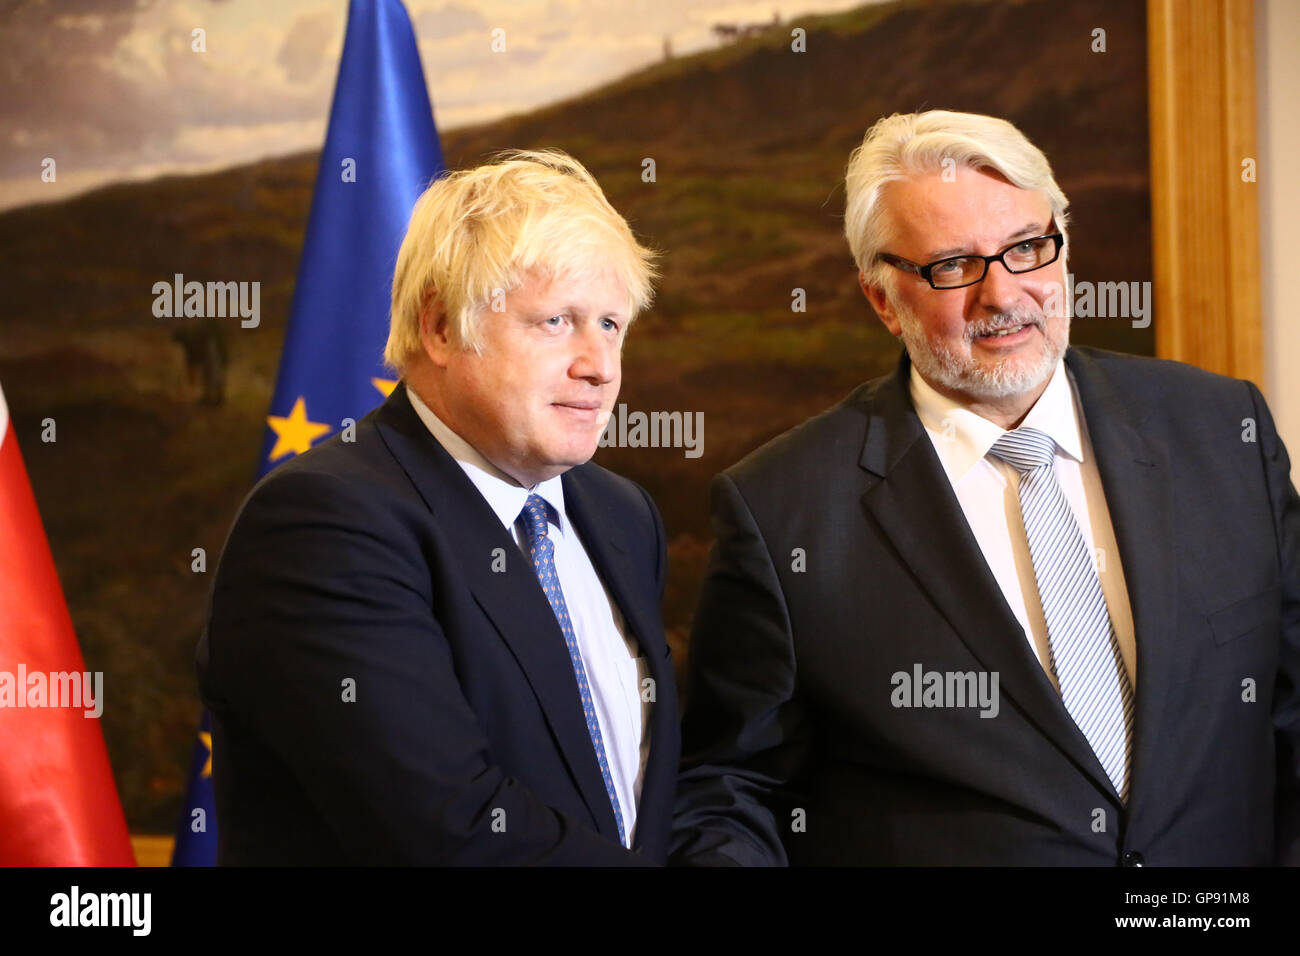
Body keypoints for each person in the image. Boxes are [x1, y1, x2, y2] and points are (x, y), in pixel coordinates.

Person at [671, 110, 1300, 866]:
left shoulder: (1222, 431)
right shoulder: (784, 511)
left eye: (1027, 249)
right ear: (881, 299)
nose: (1002, 296)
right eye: (952, 266)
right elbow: (730, 788)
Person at [198, 150, 678, 865]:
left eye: (610, 324)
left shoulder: (621, 515)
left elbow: (658, 789)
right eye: (557, 321)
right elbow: (450, 829)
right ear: (442, 328)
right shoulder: (323, 523)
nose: (600, 365)